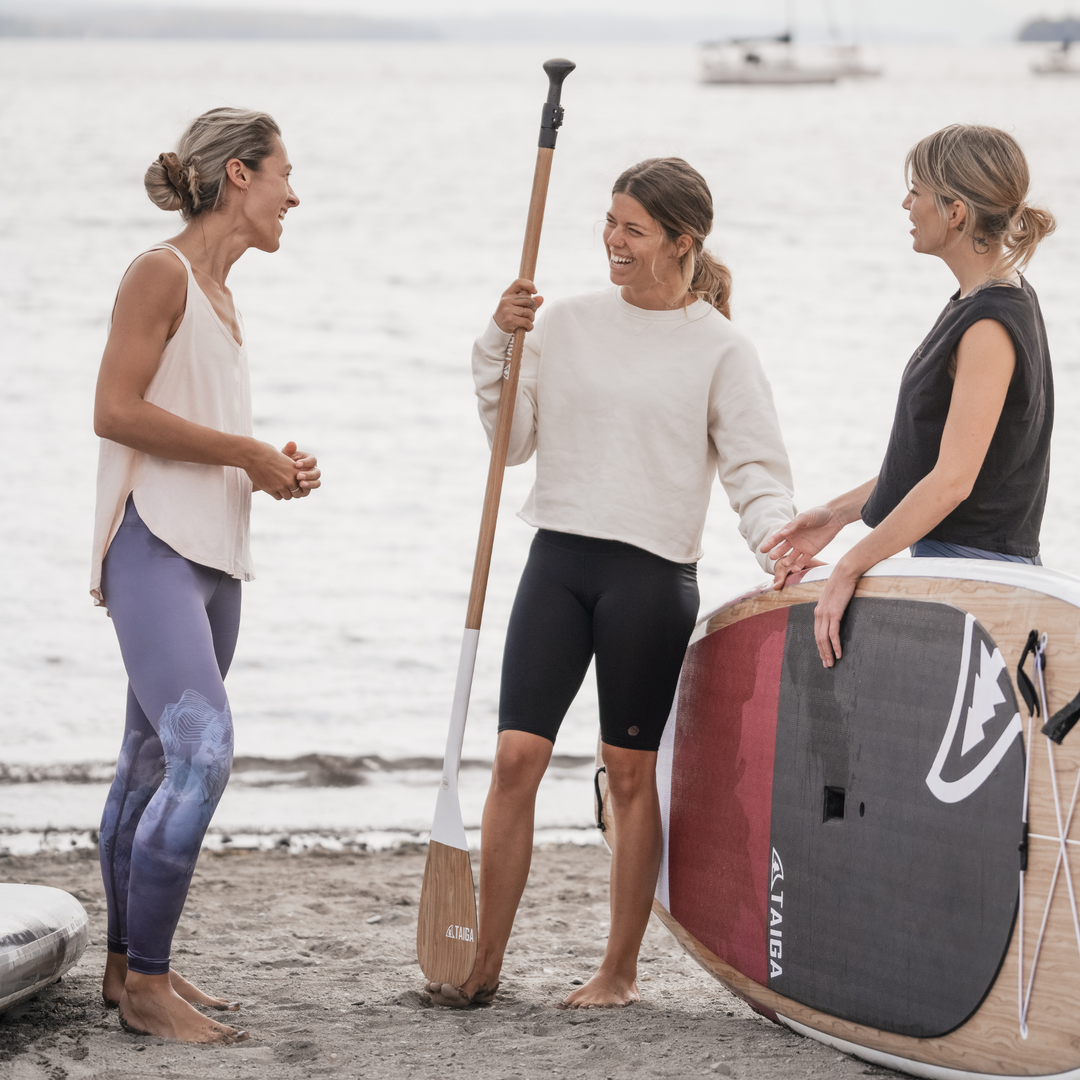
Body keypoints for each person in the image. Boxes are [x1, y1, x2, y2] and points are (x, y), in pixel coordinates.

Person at [425, 158, 796, 1010]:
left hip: (652, 574)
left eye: (632, 227)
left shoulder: (721, 348)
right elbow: (512, 441)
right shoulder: (569, 323)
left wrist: (780, 540)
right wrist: (498, 342)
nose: (612, 239)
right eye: (608, 221)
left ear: (681, 240)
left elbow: (754, 471)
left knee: (628, 774)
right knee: (516, 756)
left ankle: (618, 973)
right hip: (557, 559)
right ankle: (485, 959)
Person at [91, 107, 320, 1044]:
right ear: (238, 176)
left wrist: (272, 470)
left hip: (216, 560)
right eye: (283, 176)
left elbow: (192, 424)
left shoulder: (223, 298)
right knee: (204, 755)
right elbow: (113, 409)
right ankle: (146, 985)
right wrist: (246, 451)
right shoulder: (160, 271)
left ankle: (126, 969)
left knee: (149, 765)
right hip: (151, 547)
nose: (292, 196)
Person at [763, 124, 1056, 669]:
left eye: (916, 190)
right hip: (959, 570)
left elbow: (952, 482)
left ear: (956, 212)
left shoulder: (990, 323)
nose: (906, 203)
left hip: (971, 580)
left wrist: (852, 565)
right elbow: (943, 461)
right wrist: (839, 514)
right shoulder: (988, 300)